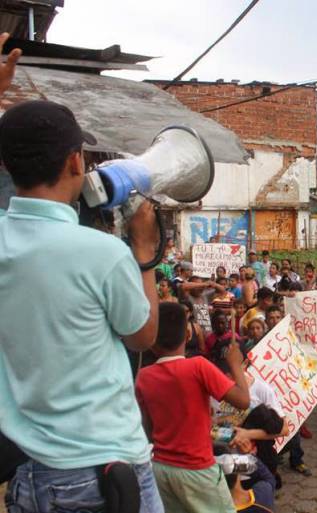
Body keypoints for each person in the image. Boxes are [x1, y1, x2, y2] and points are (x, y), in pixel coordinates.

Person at [0, 99, 164, 512]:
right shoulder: (103, 254)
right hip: (101, 472)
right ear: (76, 162)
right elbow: (143, 335)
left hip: (28, 471)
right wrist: (144, 250)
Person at [135, 302, 251, 513]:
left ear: (152, 343)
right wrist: (235, 364)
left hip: (161, 470)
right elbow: (243, 401)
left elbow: (149, 431)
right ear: (188, 336)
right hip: (198, 469)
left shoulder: (142, 377)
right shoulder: (199, 366)